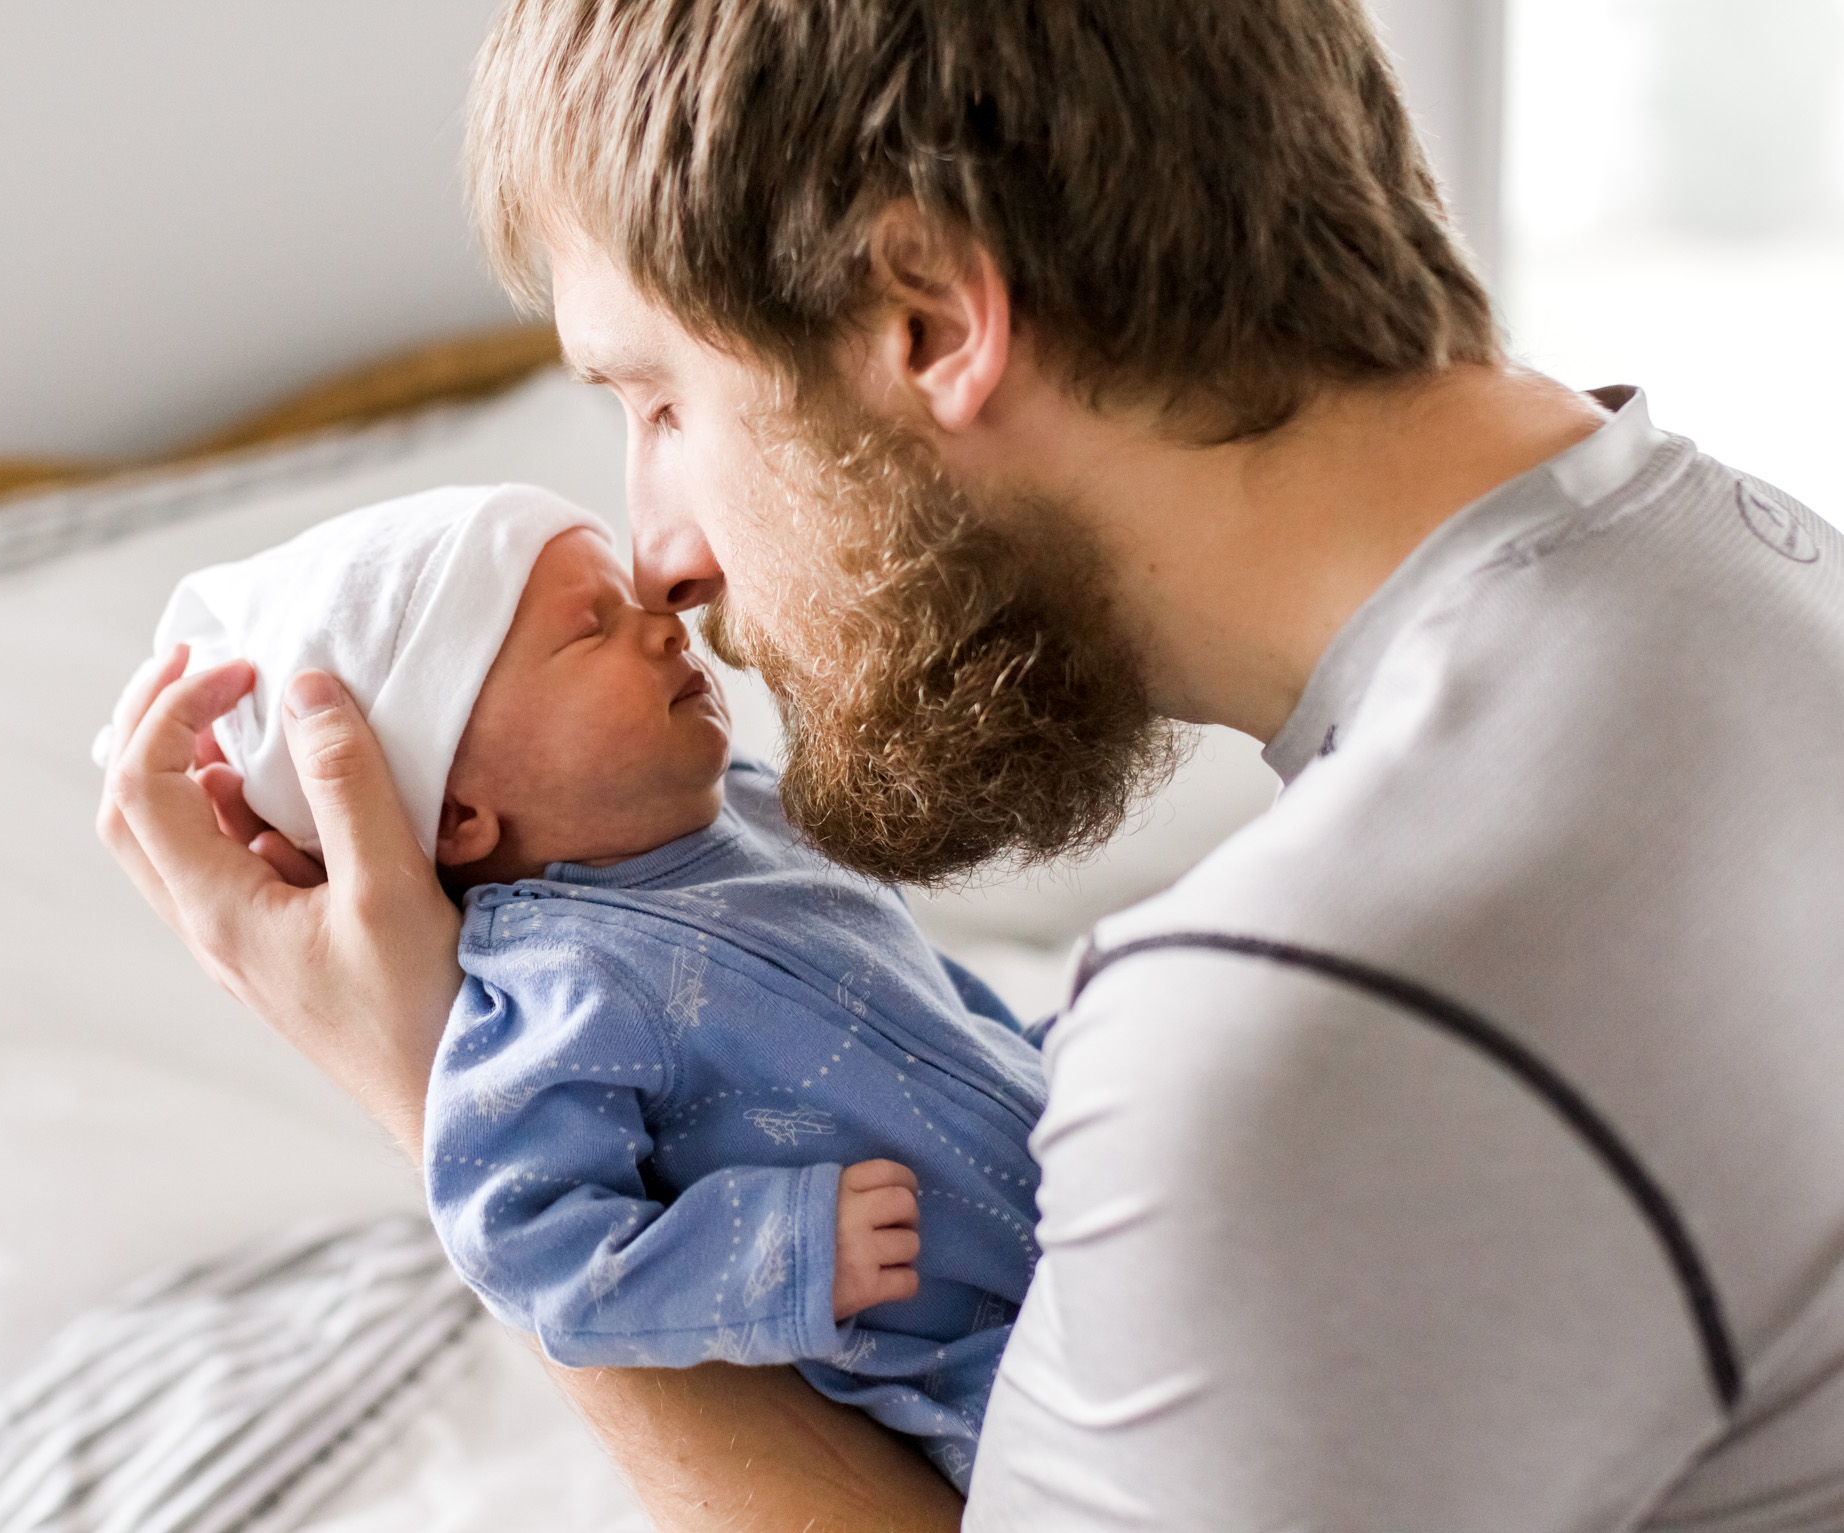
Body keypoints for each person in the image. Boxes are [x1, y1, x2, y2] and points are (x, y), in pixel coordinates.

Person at [99, 0, 1844, 1527]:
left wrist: (429, 1088)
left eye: (658, 405)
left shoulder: (1299, 1028)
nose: (667, 557)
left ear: (930, 318)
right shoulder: (1760, 566)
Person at [107, 481, 1048, 1489]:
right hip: (978, 1368)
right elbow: (532, 1248)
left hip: (1073, 1195)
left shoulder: (756, 815)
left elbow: (925, 1006)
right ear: (459, 813)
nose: (664, 622)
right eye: (589, 628)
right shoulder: (555, 983)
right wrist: (782, 1248)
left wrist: (1051, 1060)